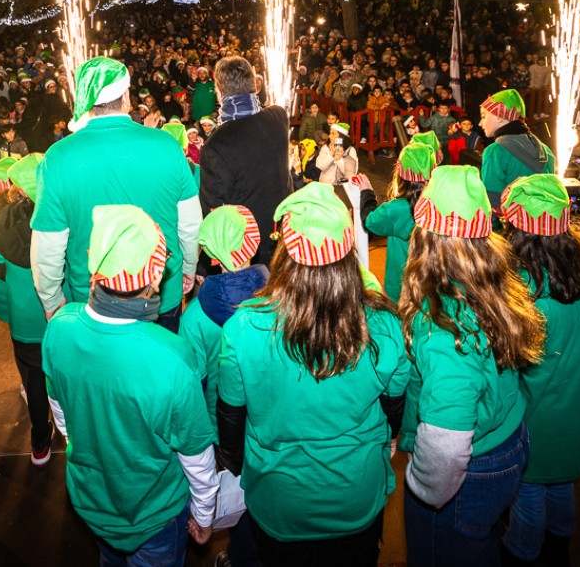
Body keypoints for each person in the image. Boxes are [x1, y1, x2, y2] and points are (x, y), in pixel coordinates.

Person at [217, 182, 408, 566]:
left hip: (279, 500)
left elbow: (231, 421)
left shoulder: (243, 328)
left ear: (284, 254)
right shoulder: (384, 325)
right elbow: (394, 410)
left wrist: (239, 466)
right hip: (356, 495)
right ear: (348, 251)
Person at [43, 205, 219, 566]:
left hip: (93, 503)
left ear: (94, 264)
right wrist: (204, 516)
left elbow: (62, 419)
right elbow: (196, 457)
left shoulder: (58, 328)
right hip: (154, 517)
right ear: (154, 279)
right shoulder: (172, 357)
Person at [398, 165, 545, 566]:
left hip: (469, 470)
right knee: (479, 548)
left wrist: (422, 487)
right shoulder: (493, 282)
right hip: (509, 440)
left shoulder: (443, 330)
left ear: (425, 237)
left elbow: (447, 445)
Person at [32, 57, 202, 333]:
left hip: (91, 299)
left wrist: (50, 298)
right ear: (126, 96)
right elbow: (190, 224)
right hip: (160, 290)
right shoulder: (167, 145)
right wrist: (189, 268)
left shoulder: (57, 158)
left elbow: (48, 243)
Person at [498, 175, 580, 566]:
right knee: (561, 487)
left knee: (528, 495)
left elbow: (525, 372)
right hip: (573, 412)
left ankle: (522, 555)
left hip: (532, 420)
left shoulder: (528, 292)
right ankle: (560, 547)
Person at [0, 153, 56, 466]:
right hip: (60, 312)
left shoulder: (0, 223)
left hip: (26, 318)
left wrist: (4, 307)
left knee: (34, 379)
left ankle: (40, 441)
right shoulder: (59, 215)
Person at [199, 55, 293, 270]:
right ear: (254, 84)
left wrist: (204, 267)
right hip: (284, 238)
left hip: (245, 251)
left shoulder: (216, 144)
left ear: (219, 92)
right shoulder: (279, 116)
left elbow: (213, 211)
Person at [179, 205, 269, 424]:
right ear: (254, 242)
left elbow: (194, 381)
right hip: (268, 419)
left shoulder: (193, 317)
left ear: (210, 253)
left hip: (218, 420)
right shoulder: (279, 299)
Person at [359, 138, 440, 303]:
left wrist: (366, 193)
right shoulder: (439, 203)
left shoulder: (395, 209)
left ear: (400, 175)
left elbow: (370, 222)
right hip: (430, 282)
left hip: (400, 286)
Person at [479, 89, 556, 219]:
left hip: (513, 230)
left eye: (483, 116)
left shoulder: (495, 151)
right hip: (544, 226)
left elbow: (492, 200)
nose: (480, 123)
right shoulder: (546, 150)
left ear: (499, 117)